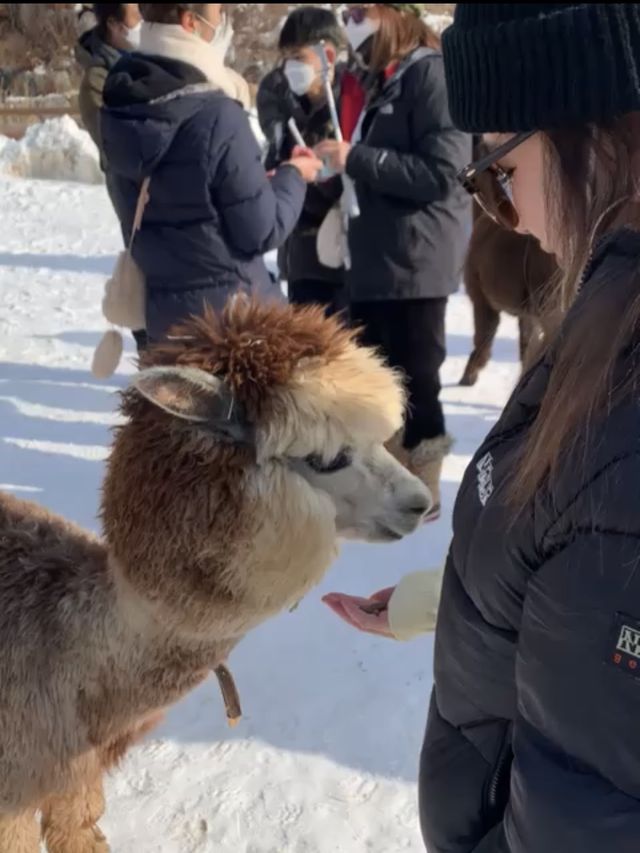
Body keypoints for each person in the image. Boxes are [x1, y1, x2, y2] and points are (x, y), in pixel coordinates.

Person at [325, 4, 640, 852]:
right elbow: (570, 568)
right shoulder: (605, 318)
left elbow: (589, 814)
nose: (506, 216)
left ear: (601, 136)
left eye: (499, 171)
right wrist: (457, 598)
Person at [315, 4, 471, 518]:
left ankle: (422, 487)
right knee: (380, 384)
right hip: (377, 258)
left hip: (415, 258)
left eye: (361, 10)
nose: (351, 19)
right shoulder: (380, 81)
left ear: (393, 14)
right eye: (346, 11)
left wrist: (355, 159)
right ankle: (389, 482)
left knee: (416, 379)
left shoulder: (429, 75)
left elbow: (442, 171)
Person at [100, 3, 321, 344]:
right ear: (190, 21)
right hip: (234, 329)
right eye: (219, 12)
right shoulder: (217, 114)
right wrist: (293, 174)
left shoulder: (120, 104)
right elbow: (261, 230)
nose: (224, 22)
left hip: (165, 326)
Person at [257, 7, 348, 318]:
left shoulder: (352, 105)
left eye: (299, 56)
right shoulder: (283, 110)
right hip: (299, 262)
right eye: (286, 57)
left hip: (345, 266)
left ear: (329, 57)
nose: (290, 67)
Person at [75, 4, 142, 163]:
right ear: (113, 24)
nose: (142, 19)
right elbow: (116, 148)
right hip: (132, 184)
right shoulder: (97, 82)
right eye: (136, 14)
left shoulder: (147, 60)